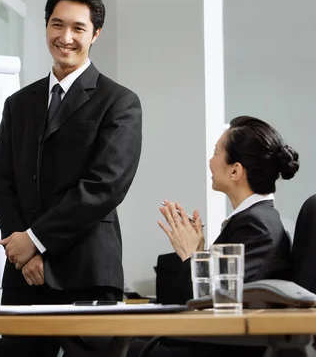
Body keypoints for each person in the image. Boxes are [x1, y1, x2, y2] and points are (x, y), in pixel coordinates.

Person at [0, 0, 143, 356]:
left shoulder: (119, 102)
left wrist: (36, 241)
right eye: (57, 25)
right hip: (23, 279)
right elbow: (3, 180)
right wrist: (22, 251)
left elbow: (104, 186)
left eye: (78, 28)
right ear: (46, 28)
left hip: (87, 273)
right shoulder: (18, 104)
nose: (66, 37)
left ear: (95, 34)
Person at [128, 115, 299, 357]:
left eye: (216, 152)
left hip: (221, 350)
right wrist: (198, 256)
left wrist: (190, 255)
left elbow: (214, 307)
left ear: (235, 171)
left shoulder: (257, 226)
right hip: (212, 343)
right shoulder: (253, 220)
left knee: (129, 345)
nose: (210, 161)